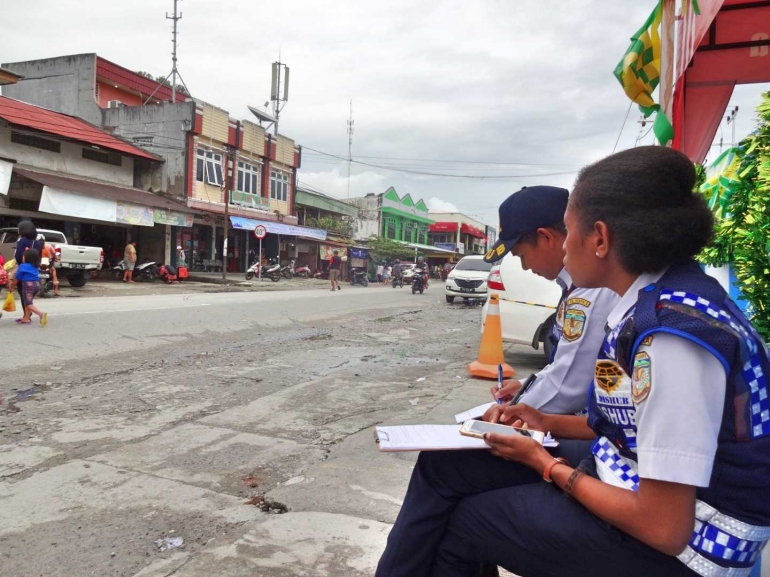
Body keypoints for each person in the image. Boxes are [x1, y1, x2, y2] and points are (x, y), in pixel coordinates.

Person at [376, 146, 770, 577]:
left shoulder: (670, 338)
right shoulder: (659, 301)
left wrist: (546, 465)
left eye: (569, 230)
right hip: (626, 478)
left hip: (694, 549)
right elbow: (631, 424)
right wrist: (541, 420)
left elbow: (664, 527)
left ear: (599, 238)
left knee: (469, 522)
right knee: (451, 469)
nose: (563, 251)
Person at [482, 186, 619, 415]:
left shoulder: (592, 288)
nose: (525, 267)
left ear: (546, 237)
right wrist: (525, 389)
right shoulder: (574, 285)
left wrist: (511, 411)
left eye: (521, 256)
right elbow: (562, 366)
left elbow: (568, 387)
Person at [9, 248, 47, 326]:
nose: (22, 257)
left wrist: (11, 287)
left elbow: (17, 278)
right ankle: (26, 318)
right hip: (36, 285)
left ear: (26, 258)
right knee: (28, 302)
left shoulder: (23, 266)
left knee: (28, 303)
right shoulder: (35, 266)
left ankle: (40, 314)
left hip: (28, 286)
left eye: (23, 256)